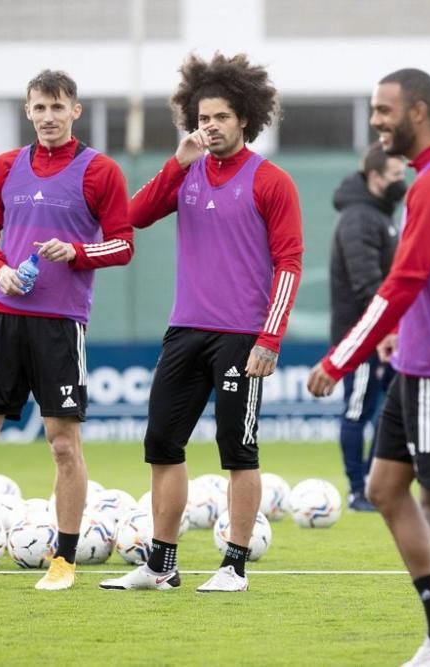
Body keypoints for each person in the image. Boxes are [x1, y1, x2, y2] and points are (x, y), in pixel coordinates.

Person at [307, 68, 430, 667]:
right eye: (372, 110)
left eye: (384, 110)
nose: (375, 121)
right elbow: (420, 281)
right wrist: (391, 336)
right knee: (385, 489)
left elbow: (404, 281)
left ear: (418, 112)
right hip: (417, 358)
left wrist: (341, 357)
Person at [100, 52, 303, 593]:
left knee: (239, 451)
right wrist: (176, 162)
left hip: (242, 338)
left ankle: (234, 566)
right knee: (162, 443)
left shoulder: (271, 181)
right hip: (185, 330)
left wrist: (270, 337)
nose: (209, 126)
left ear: (244, 119)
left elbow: (289, 263)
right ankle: (162, 566)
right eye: (202, 117)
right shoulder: (185, 173)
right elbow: (131, 217)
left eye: (220, 117)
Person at [0, 69, 133, 591]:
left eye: (57, 108)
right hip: (1, 320)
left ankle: (63, 560)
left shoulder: (100, 171)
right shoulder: (5, 166)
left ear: (75, 112)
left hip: (60, 327)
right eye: (39, 108)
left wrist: (78, 252)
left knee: (63, 445)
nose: (48, 117)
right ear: (27, 112)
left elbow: (123, 244)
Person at [329, 142, 406, 512]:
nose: (401, 183)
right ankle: (358, 489)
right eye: (395, 176)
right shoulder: (359, 218)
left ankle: (377, 486)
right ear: (374, 177)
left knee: (389, 410)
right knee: (358, 410)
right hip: (361, 337)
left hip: (383, 335)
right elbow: (366, 284)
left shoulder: (380, 216)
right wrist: (382, 331)